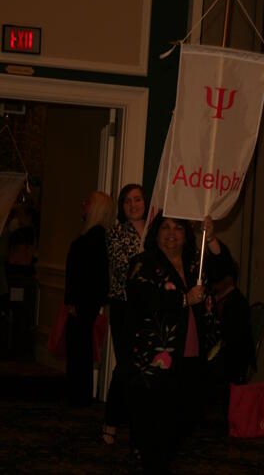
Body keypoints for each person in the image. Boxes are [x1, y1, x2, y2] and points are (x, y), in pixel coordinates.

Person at [123, 211, 234, 475]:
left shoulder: (195, 262)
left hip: (194, 357)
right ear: (156, 232)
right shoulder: (145, 262)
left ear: (187, 235)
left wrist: (213, 236)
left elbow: (225, 269)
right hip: (159, 361)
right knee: (157, 425)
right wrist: (184, 300)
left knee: (186, 418)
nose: (171, 233)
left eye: (178, 228)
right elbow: (144, 299)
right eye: (165, 227)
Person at [102, 184, 146, 446]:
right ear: (122, 206)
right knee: (126, 364)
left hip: (148, 308)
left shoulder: (156, 232)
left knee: (143, 367)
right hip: (123, 305)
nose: (133, 205)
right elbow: (122, 268)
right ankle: (111, 419)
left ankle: (137, 421)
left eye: (138, 199)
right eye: (127, 201)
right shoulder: (116, 232)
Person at [64, 190, 114, 407]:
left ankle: (78, 396)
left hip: (83, 302)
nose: (83, 205)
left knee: (79, 349)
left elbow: (88, 276)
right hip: (88, 302)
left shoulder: (93, 239)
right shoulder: (98, 237)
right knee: (80, 348)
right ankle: (78, 394)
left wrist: (75, 302)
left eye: (88, 202)